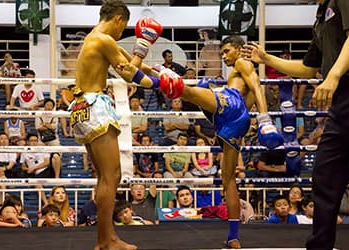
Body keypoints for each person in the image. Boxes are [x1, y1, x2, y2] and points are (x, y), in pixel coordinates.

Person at [242, 0, 349, 248]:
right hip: (340, 106)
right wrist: (266, 58)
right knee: (324, 179)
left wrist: (332, 76)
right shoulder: (320, 17)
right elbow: (308, 68)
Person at [119, 35, 283, 248]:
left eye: (227, 51)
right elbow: (252, 89)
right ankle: (233, 236)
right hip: (231, 123)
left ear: (240, 49)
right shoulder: (236, 74)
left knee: (185, 90)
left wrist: (264, 118)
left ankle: (145, 70)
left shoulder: (243, 62)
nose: (224, 56)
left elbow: (256, 84)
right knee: (228, 180)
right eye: (222, 53)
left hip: (231, 106)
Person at [69, 0, 162, 248]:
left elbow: (130, 62)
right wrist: (159, 84)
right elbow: (129, 74)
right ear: (119, 19)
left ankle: (107, 238)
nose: (122, 32)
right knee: (112, 176)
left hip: (83, 107)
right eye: (124, 27)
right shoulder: (104, 40)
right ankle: (106, 241)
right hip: (94, 105)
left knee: (105, 177)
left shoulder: (95, 38)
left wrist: (159, 72)